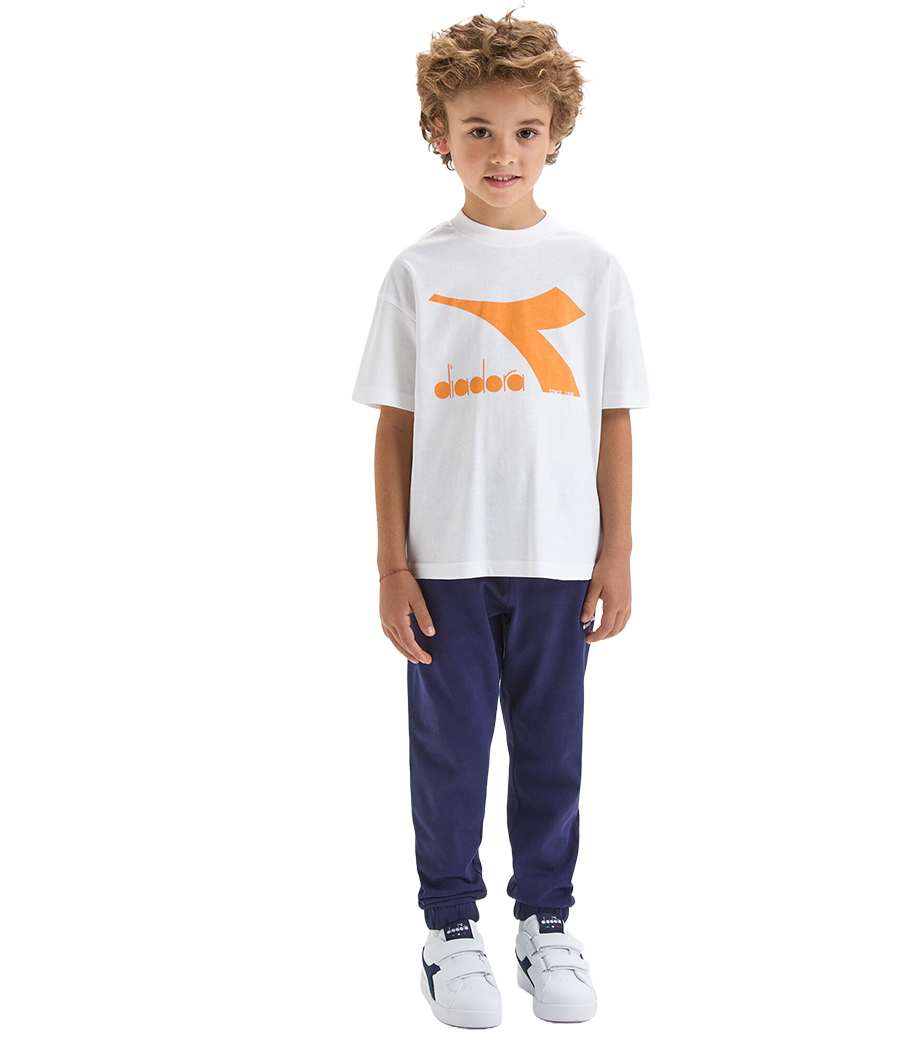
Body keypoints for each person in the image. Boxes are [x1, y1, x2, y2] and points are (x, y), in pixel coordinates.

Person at [351, 10, 650, 1028]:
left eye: (524, 130)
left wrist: (617, 550)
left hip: (559, 557)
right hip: (446, 561)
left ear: (555, 134)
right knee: (449, 752)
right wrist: (392, 565)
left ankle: (546, 921)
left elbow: (612, 417)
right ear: (438, 133)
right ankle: (449, 930)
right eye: (477, 129)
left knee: (552, 749)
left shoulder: (593, 269)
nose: (502, 152)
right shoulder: (418, 271)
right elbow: (394, 429)